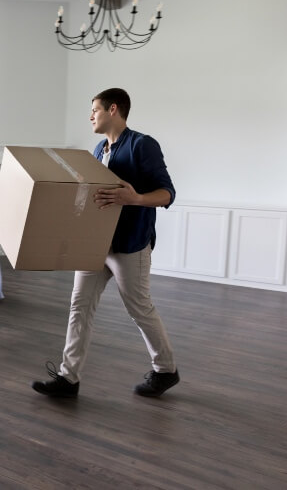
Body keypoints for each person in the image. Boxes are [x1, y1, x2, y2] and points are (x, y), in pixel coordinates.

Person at [32, 88, 179, 399]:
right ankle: (68, 378)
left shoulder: (143, 145)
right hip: (95, 245)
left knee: (139, 308)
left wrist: (136, 198)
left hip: (130, 245)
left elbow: (167, 193)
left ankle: (166, 371)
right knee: (79, 307)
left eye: (94, 110)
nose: (90, 116)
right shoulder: (99, 149)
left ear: (113, 109)